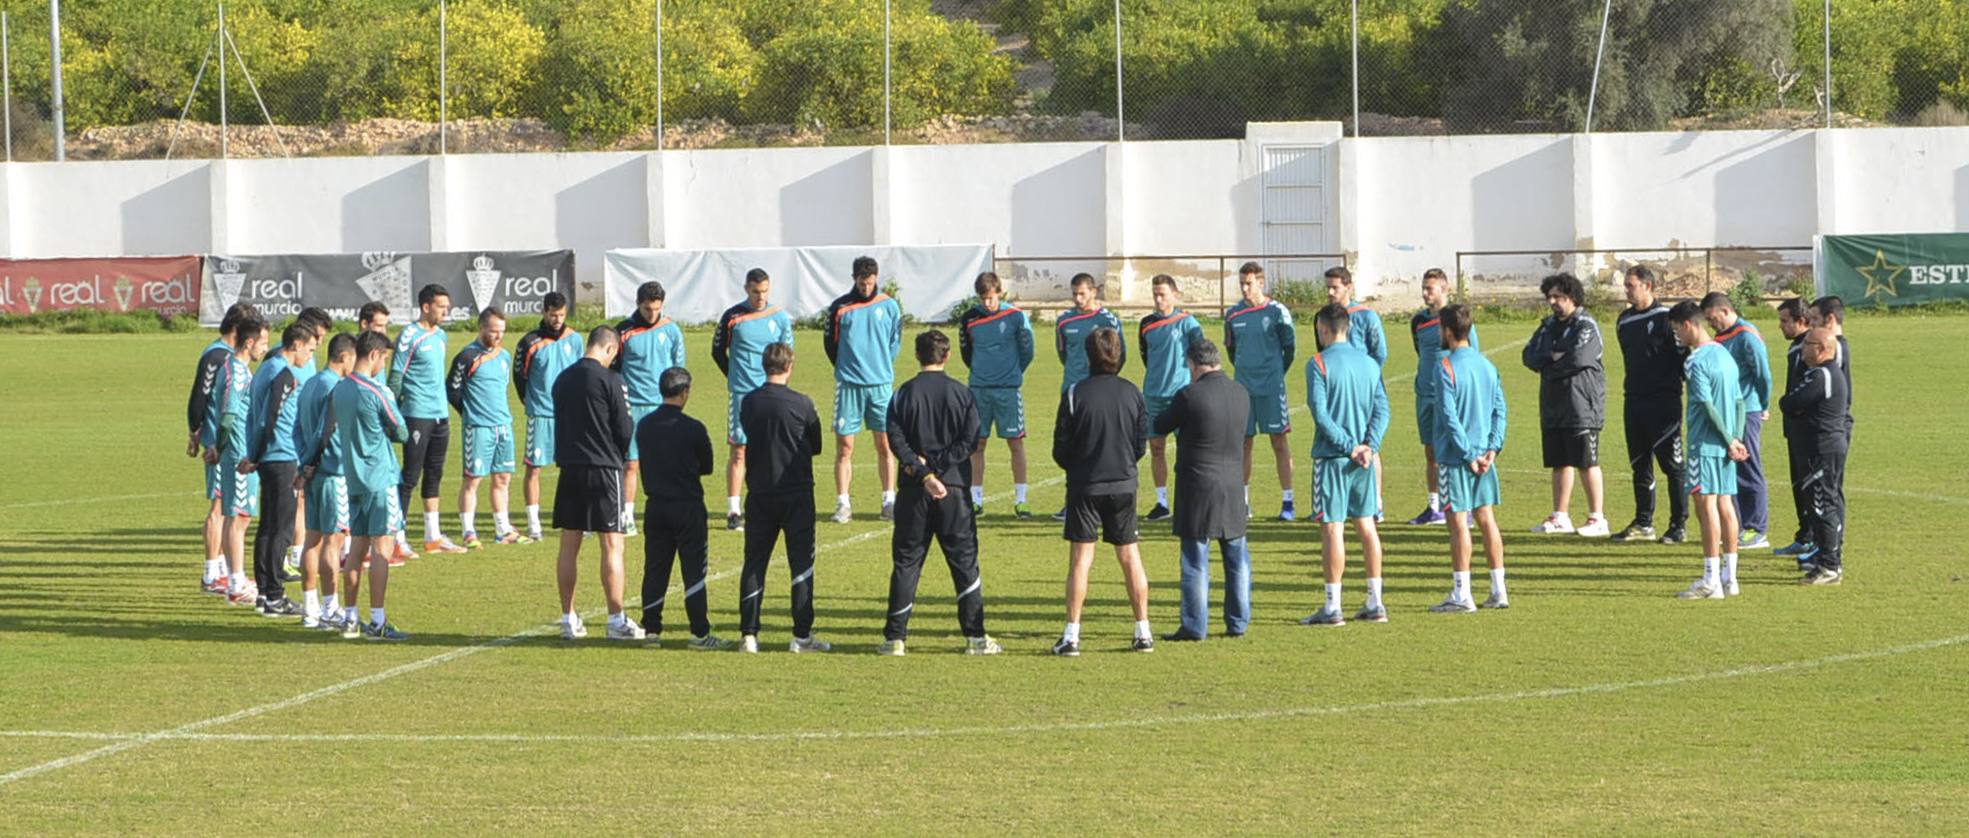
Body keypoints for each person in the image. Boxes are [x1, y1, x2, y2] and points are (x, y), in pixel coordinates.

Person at [880, 331, 1001, 656]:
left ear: (917, 356)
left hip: (913, 492)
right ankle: (975, 638)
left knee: (906, 562)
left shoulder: (903, 394)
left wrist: (923, 472)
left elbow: (895, 440)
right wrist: (938, 469)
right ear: (946, 356)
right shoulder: (962, 394)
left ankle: (895, 639)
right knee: (964, 562)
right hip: (954, 491)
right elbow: (970, 440)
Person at [1051, 327, 1154, 656]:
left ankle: (1072, 636)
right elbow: (1141, 445)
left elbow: (1060, 448)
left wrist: (1080, 467)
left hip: (1085, 485)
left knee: (1081, 560)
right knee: (1129, 555)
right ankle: (1143, 631)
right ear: (1119, 354)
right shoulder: (1133, 393)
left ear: (1087, 356)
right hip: (1123, 485)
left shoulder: (1073, 393)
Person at [1152, 338, 1251, 641]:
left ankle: (1195, 625)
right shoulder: (1240, 393)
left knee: (1195, 559)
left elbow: (1161, 423)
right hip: (1233, 484)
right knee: (1237, 557)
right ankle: (1238, 622)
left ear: (1194, 365)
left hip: (1197, 486)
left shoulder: (1189, 395)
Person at [550, 326, 645, 641]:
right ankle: (616, 619)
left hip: (570, 468)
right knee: (612, 544)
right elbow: (624, 426)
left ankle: (567, 617)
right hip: (604, 469)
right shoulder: (612, 380)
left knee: (569, 545)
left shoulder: (563, 379)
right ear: (611, 349)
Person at [1300, 304, 1391, 626]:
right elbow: (1382, 411)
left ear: (1323, 330)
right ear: (1348, 328)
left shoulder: (1318, 363)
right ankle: (1375, 601)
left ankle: (1332, 605)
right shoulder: (1369, 364)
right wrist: (1369, 446)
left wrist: (1350, 447)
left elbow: (1321, 415)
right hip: (1364, 461)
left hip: (1332, 459)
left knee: (1332, 529)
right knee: (1367, 525)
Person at [736, 342, 830, 654]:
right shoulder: (803, 404)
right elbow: (816, 445)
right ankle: (801, 636)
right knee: (801, 564)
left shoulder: (749, 402)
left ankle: (749, 634)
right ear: (790, 366)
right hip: (797, 493)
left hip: (760, 492)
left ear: (765, 366)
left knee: (754, 563)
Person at [633, 367, 734, 650]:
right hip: (688, 505)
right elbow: (707, 466)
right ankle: (699, 632)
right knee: (693, 570)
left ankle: (651, 630)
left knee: (655, 568)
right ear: (685, 391)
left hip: (655, 506)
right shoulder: (693, 427)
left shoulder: (645, 425)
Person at [1429, 305, 1511, 613]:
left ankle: (1462, 593)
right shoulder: (1487, 366)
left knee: (1458, 525)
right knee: (1486, 519)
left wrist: (1468, 454)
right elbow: (1499, 410)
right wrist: (1492, 448)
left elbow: (1449, 417)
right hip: (1485, 459)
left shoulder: (1445, 368)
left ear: (1448, 331)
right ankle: (1498, 589)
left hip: (1456, 459)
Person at [330, 329, 411, 640]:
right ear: (375, 355)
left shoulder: (340, 389)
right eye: (384, 359)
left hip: (353, 478)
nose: (383, 366)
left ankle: (350, 617)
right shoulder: (376, 390)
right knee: (382, 548)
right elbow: (401, 431)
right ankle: (378, 620)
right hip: (380, 478)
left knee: (356, 549)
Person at [1667, 301, 1750, 601]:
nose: (1677, 337)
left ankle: (1710, 580)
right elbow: (1740, 401)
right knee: (1726, 506)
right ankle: (1731, 578)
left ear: (1689, 325)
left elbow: (1705, 405)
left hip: (1706, 444)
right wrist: (1737, 438)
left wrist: (1728, 440)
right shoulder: (1725, 355)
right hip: (1729, 444)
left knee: (1706, 508)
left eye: (1677, 331)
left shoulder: (1696, 360)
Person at [1522, 273, 1611, 538]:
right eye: (1549, 296)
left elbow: (1580, 358)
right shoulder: (1547, 325)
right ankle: (1560, 515)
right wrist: (1552, 356)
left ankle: (1597, 517)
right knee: (1559, 461)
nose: (1552, 302)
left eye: (1557, 297)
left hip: (1581, 403)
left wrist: (1549, 364)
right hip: (1552, 403)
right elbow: (1529, 356)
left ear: (1572, 297)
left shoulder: (1586, 325)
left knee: (1586, 461)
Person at [240, 321, 319, 617]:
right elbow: (268, 419)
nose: (310, 357)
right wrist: (257, 455)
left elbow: (257, 417)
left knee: (268, 528)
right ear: (296, 345)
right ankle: (274, 595)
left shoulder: (266, 368)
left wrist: (255, 453)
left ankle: (264, 593)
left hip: (269, 456)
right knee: (281, 530)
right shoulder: (283, 374)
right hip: (281, 457)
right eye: (309, 350)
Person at [712, 268, 796, 532]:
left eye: (764, 291)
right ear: (746, 289)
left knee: (771, 449)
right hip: (741, 393)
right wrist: (734, 376)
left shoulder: (779, 317)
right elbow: (717, 351)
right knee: (739, 450)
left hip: (771, 392)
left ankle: (769, 504)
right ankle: (734, 509)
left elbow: (788, 354)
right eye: (755, 292)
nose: (760, 297)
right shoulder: (733, 317)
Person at [823, 255, 903, 524]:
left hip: (880, 386)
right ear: (854, 279)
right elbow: (830, 345)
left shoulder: (890, 306)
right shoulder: (840, 308)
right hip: (849, 387)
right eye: (861, 282)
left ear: (876, 278)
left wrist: (879, 366)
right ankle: (843, 503)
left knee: (886, 445)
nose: (866, 287)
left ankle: (889, 500)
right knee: (845, 446)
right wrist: (848, 368)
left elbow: (895, 342)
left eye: (870, 282)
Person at [1613, 266, 1688, 544]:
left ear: (1648, 286)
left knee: (1673, 466)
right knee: (1640, 464)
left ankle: (1678, 524)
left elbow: (1683, 359)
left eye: (1631, 285)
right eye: (1626, 285)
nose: (1626, 289)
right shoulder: (1623, 320)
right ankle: (1644, 522)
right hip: (1633, 400)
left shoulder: (1667, 318)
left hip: (1664, 402)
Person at [391, 283, 466, 555]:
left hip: (440, 414)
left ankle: (432, 535)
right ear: (426, 307)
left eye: (447, 306)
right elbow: (397, 375)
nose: (446, 311)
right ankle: (397, 537)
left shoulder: (442, 336)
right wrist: (393, 413)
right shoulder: (410, 335)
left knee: (434, 473)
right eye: (441, 306)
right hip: (416, 414)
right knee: (410, 475)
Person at [957, 271, 1035, 518]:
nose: (987, 303)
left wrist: (1011, 373)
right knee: (977, 444)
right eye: (983, 299)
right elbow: (966, 353)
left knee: (1015, 443)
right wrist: (982, 373)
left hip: (1008, 390)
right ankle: (975, 499)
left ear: (999, 293)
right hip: (979, 390)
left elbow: (1028, 350)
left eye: (991, 298)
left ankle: (1021, 500)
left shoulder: (1015, 316)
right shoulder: (969, 319)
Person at [1405, 268, 1478, 526]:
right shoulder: (1418, 321)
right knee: (1431, 452)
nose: (1425, 293)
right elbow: (1421, 353)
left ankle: (1465, 506)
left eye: (1430, 288)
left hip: (1450, 395)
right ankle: (1434, 507)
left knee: (1458, 450)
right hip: (1425, 395)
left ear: (1444, 288)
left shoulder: (1458, 319)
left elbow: (1472, 356)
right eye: (1423, 288)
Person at [615, 280, 688, 537]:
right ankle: (627, 515)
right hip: (632, 407)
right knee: (631, 464)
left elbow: (679, 371)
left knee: (665, 462)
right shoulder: (623, 332)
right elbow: (612, 370)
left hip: (663, 407)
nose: (652, 314)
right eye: (647, 309)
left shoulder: (671, 330)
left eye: (656, 309)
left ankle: (668, 511)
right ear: (638, 304)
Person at [188, 303, 252, 596]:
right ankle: (211, 573)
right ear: (239, 330)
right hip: (219, 442)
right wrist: (197, 431)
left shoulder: (216, 352)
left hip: (219, 440)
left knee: (226, 507)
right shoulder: (219, 356)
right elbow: (199, 396)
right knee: (219, 506)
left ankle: (222, 570)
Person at [1700, 292, 1773, 551]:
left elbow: (1763, 374)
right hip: (1727, 412)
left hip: (1748, 409)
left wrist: (1763, 404)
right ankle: (1738, 526)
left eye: (1712, 318)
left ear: (1723, 310)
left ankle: (1757, 528)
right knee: (1730, 468)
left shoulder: (1747, 335)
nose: (1711, 324)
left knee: (1748, 466)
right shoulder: (1721, 338)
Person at [1224, 262, 1297, 521]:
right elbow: (1232, 351)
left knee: (1279, 441)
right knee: (1243, 443)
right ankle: (1242, 502)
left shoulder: (1278, 312)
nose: (1245, 288)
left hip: (1271, 387)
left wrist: (1275, 372)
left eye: (1249, 283)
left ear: (1261, 283)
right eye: (1242, 283)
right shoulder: (1233, 315)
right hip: (1243, 388)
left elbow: (1290, 350)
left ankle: (1288, 502)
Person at [294, 332, 356, 632]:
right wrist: (314, 461)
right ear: (344, 356)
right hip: (331, 473)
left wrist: (302, 464)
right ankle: (330, 608)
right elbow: (325, 431)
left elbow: (297, 428)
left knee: (312, 539)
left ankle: (310, 609)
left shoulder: (310, 384)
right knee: (333, 541)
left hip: (313, 473)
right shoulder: (336, 387)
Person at [1778, 327, 1850, 586]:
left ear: (1822, 348)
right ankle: (1825, 560)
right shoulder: (1819, 374)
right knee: (1818, 505)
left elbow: (1788, 403)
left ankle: (1831, 565)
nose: (1803, 348)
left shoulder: (1822, 375)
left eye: (1808, 343)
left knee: (1823, 505)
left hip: (1821, 449)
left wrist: (1795, 409)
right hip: (1815, 448)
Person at [1052, 272, 1125, 521]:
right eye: (1074, 294)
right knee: (1072, 447)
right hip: (1072, 392)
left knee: (1101, 445)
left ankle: (1105, 500)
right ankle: (1071, 501)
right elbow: (1063, 355)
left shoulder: (1108, 320)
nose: (1077, 298)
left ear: (1094, 292)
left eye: (1082, 293)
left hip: (1099, 392)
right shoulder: (1063, 322)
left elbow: (1119, 355)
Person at [447, 308, 522, 548]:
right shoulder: (466, 357)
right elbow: (453, 390)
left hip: (504, 425)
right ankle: (468, 531)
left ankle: (503, 529)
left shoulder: (504, 356)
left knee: (502, 478)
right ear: (481, 328)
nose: (498, 336)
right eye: (493, 331)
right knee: (473, 480)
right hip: (478, 428)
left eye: (502, 331)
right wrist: (470, 414)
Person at [514, 292, 585, 542]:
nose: (557, 319)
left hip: (570, 415)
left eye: (561, 315)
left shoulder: (575, 339)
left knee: (575, 468)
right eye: (553, 315)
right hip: (541, 415)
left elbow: (581, 373)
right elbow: (519, 378)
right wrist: (533, 402)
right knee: (534, 469)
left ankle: (577, 520)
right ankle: (534, 524)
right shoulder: (529, 342)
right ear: (544, 312)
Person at [214, 314, 270, 607]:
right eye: (263, 343)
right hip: (239, 455)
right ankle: (235, 583)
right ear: (248, 343)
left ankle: (234, 576)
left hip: (235, 452)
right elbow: (229, 416)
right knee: (239, 517)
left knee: (235, 517)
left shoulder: (235, 369)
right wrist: (222, 447)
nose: (264, 348)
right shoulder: (236, 373)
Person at [1138, 274, 1204, 523]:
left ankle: (1188, 500)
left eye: (1162, 294)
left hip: (1181, 396)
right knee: (1156, 448)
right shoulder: (1146, 324)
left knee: (1187, 450)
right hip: (1153, 395)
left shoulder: (1187, 323)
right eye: (1155, 294)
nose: (1158, 299)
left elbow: (1201, 356)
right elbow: (1146, 356)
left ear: (1175, 295)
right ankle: (1162, 502)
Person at [1325, 266, 1389, 520]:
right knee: (1339, 441)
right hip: (1336, 390)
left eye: (1335, 287)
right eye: (1328, 287)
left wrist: (1365, 379)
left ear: (1348, 287)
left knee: (1369, 442)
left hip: (1364, 389)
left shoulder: (1366, 316)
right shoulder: (1325, 317)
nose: (1330, 292)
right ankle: (1340, 502)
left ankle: (1376, 503)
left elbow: (1380, 352)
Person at [1774, 298, 1814, 567]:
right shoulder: (1794, 347)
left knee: (1810, 486)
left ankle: (1813, 539)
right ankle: (1804, 534)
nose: (1780, 326)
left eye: (1785, 321)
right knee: (1797, 484)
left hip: (1808, 429)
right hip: (1794, 428)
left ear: (1802, 321)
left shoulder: (1812, 348)